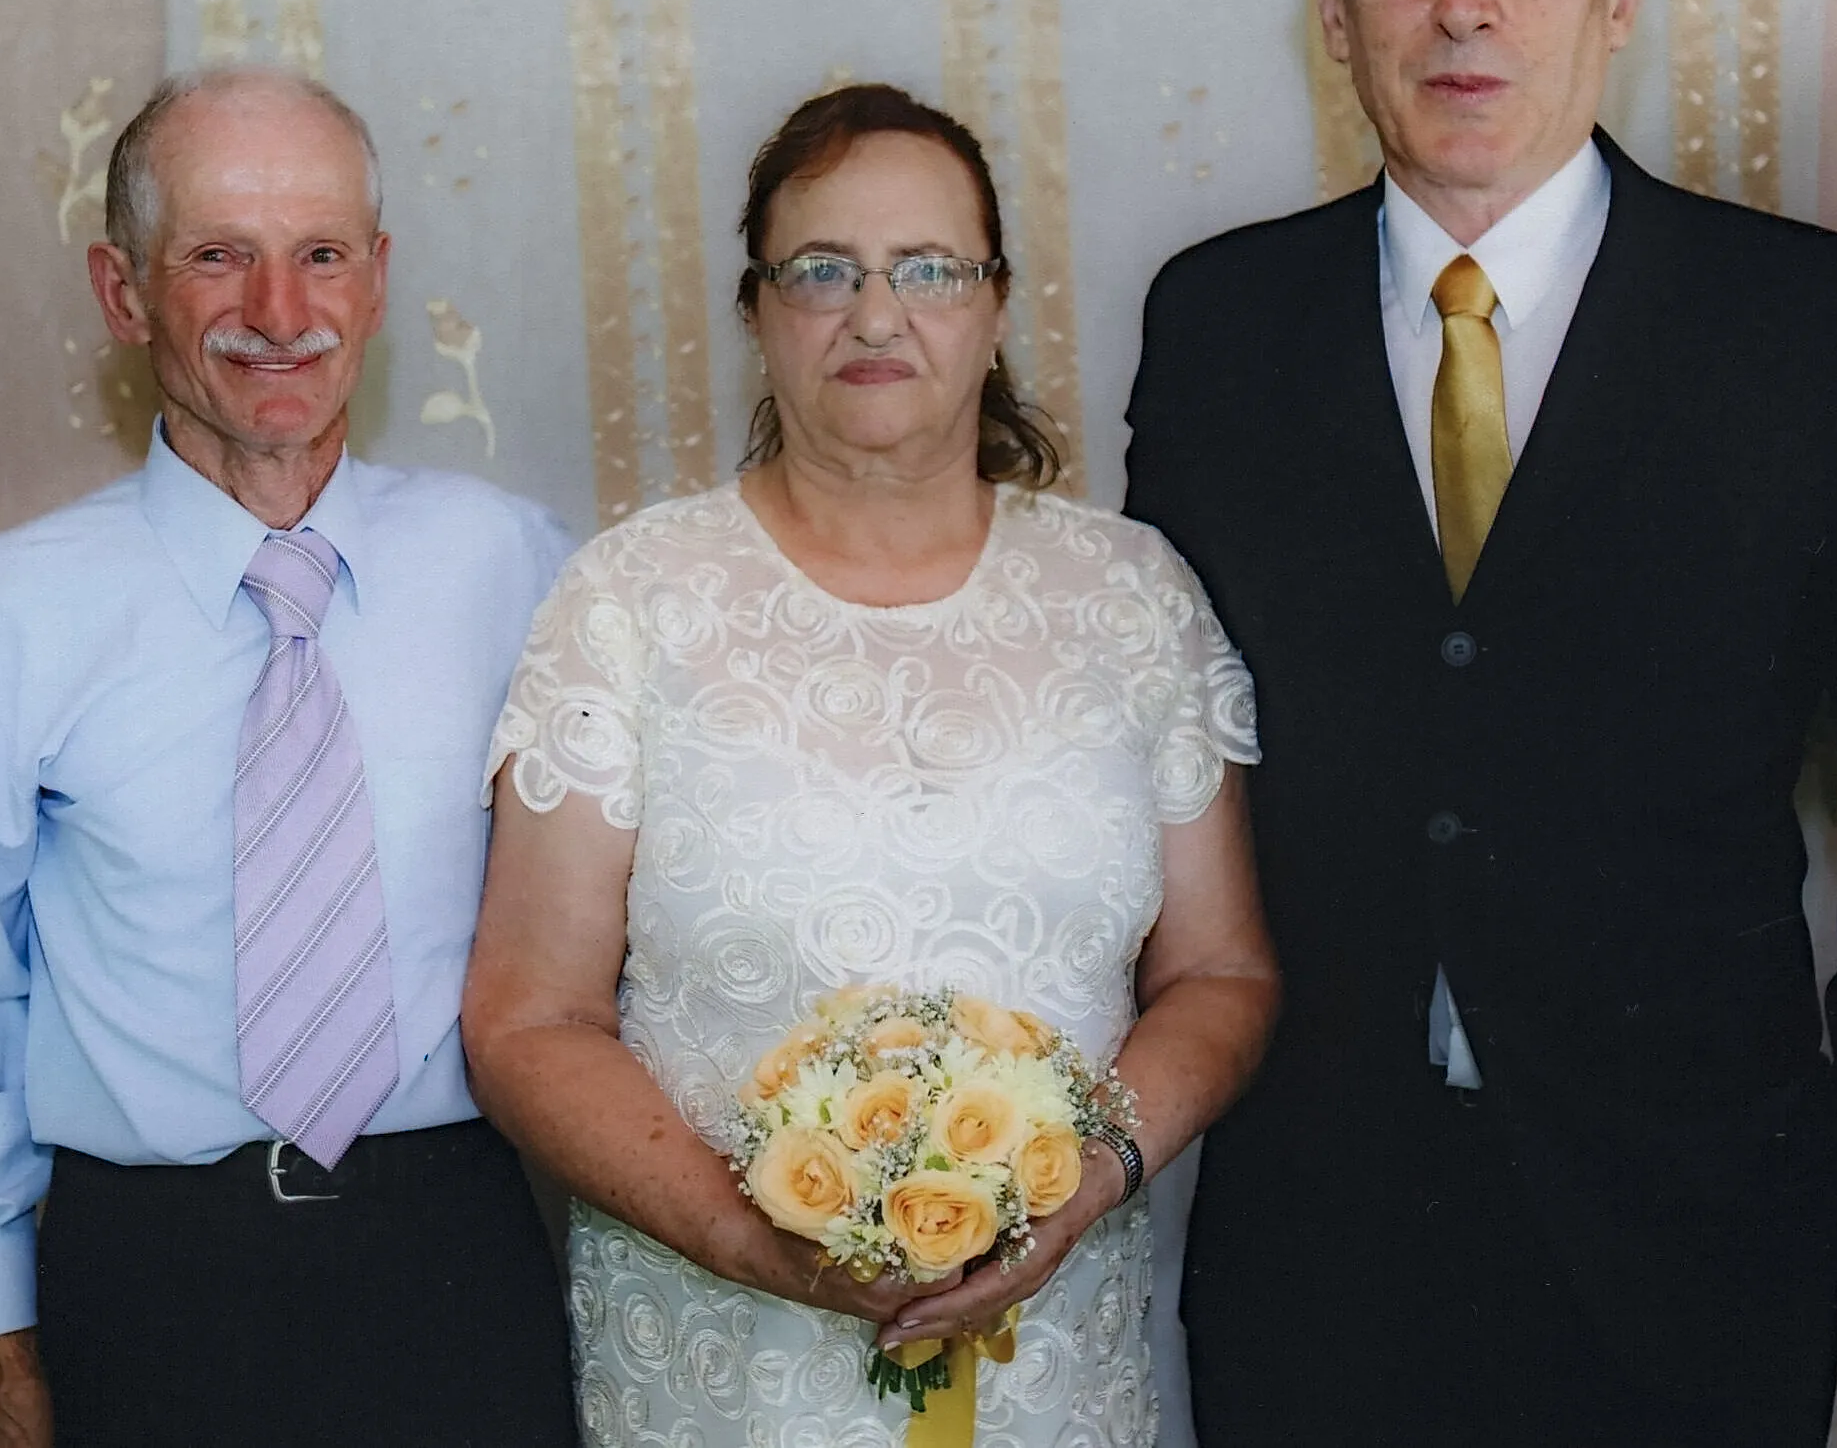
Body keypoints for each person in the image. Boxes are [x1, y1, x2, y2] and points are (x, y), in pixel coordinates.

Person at [1123, 0, 1837, 1446]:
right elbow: (1155, 759)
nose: (1464, 4)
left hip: (1696, 1259)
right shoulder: (1219, 331)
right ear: (1336, 5)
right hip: (1314, 1265)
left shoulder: (1806, 334)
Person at [461, 83, 1278, 1448]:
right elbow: (526, 1015)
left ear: (997, 303)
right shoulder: (633, 599)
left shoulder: (1130, 598)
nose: (876, 313)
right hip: (725, 1376)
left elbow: (1223, 973)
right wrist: (746, 1237)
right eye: (824, 270)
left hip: (1049, 1365)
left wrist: (1086, 1182)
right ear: (759, 309)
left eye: (929, 269)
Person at [0, 66, 580, 1448]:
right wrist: (12, 1353)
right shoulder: (14, 613)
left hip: (458, 1255)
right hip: (150, 1282)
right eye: (219, 256)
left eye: (321, 254)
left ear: (376, 282)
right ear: (124, 291)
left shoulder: (511, 565)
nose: (278, 313)